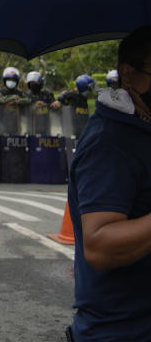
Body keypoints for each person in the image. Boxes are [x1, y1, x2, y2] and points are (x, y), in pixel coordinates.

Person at [67, 26, 151, 340]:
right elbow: (100, 245)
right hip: (121, 331)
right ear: (128, 75)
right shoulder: (109, 143)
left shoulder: (142, 128)